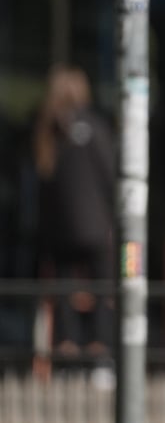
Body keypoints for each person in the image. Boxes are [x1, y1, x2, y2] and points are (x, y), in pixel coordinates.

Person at [33, 64, 116, 360]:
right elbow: (110, 174)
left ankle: (67, 346)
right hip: (95, 224)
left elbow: (42, 182)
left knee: (66, 288)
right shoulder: (93, 125)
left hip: (60, 227)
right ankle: (100, 346)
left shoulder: (47, 130)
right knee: (104, 288)